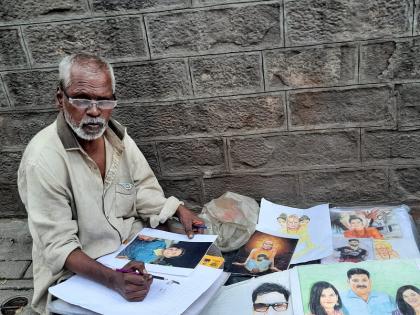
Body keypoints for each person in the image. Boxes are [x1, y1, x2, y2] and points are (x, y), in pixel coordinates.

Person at [17, 53, 203, 314]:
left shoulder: (118, 139)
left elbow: (143, 190)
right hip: (80, 272)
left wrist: (175, 209)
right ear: (60, 99)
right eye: (82, 99)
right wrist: (113, 279)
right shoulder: (42, 160)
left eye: (104, 101)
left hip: (129, 250)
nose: (94, 112)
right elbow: (60, 247)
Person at [116, 235, 183, 263]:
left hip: (120, 251)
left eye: (174, 253)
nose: (173, 250)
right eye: (176, 249)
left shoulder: (150, 260)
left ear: (169, 257)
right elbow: (148, 237)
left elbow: (129, 260)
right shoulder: (161, 243)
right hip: (128, 238)